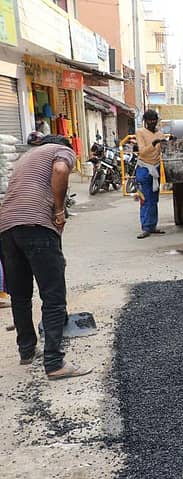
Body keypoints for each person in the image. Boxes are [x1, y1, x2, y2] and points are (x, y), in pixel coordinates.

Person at [0, 135, 92, 380]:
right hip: (36, 226)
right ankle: (54, 364)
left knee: (20, 295)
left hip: (6, 227)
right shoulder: (62, 152)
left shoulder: (25, 157)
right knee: (53, 295)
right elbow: (60, 169)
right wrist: (59, 209)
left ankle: (27, 350)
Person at [134, 109, 174, 239]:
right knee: (145, 199)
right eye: (150, 121)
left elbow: (165, 149)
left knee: (154, 199)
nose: (152, 123)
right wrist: (154, 143)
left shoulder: (160, 133)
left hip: (155, 169)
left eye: (154, 120)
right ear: (145, 121)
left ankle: (152, 225)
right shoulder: (140, 132)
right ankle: (145, 227)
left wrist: (171, 141)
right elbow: (142, 152)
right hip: (144, 168)